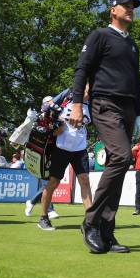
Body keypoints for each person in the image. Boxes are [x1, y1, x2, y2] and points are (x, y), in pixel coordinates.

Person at [70, 0, 140, 254]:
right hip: (104, 104)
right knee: (122, 158)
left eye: (133, 7)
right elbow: (82, 69)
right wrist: (77, 104)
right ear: (113, 10)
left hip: (127, 109)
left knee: (120, 165)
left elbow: (136, 82)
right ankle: (90, 222)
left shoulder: (133, 45)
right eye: (126, 6)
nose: (131, 10)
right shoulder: (99, 35)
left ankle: (106, 232)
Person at [38, 86, 94, 230]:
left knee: (85, 181)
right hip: (61, 147)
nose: (88, 94)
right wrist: (56, 123)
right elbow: (45, 106)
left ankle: (91, 221)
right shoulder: (68, 95)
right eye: (87, 90)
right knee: (53, 182)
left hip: (80, 148)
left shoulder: (93, 103)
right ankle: (44, 217)